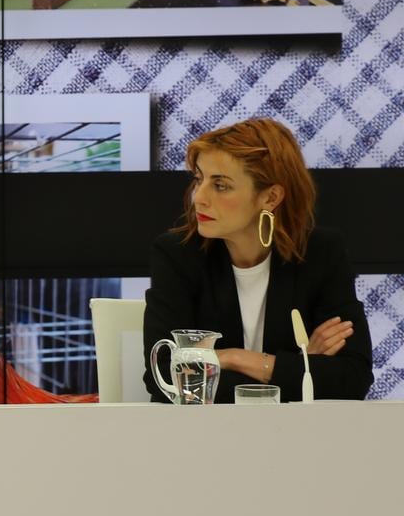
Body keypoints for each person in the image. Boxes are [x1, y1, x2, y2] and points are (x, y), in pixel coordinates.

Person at [143, 117, 372, 403]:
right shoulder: (177, 254)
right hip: (201, 438)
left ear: (270, 197)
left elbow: (352, 378)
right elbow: (164, 378)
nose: (198, 197)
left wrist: (233, 358)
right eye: (199, 179)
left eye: (221, 185)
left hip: (298, 437)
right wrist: (300, 367)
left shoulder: (322, 253)